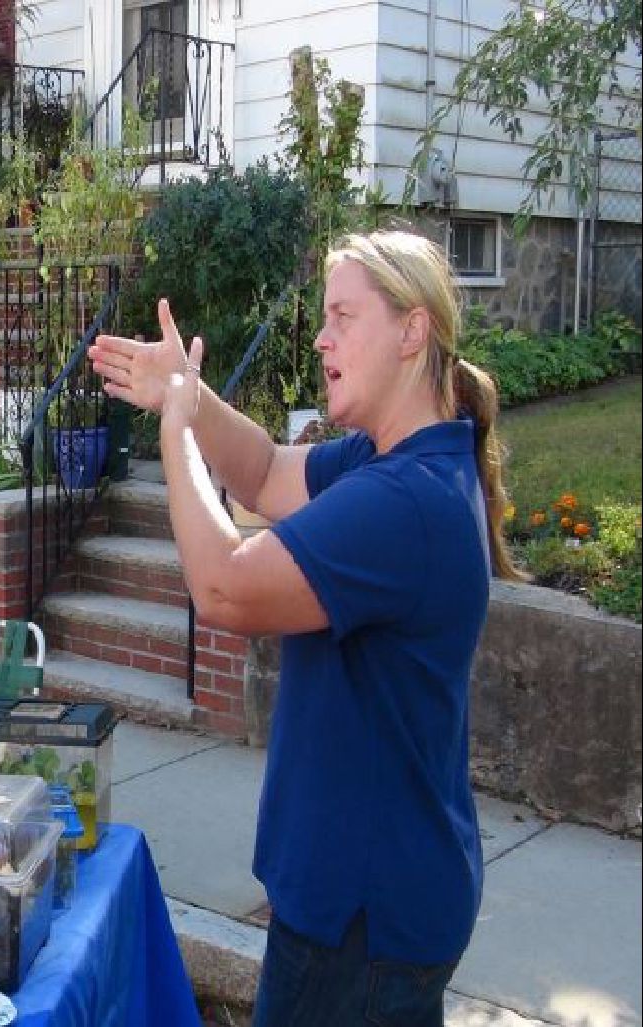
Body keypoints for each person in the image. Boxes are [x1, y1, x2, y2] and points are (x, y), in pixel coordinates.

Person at [88, 230, 524, 1025]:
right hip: (375, 900)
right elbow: (260, 470)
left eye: (342, 316)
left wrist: (175, 432)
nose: (322, 337)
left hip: (362, 922)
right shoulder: (389, 463)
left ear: (412, 330)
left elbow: (223, 586)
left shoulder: (406, 502)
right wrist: (187, 391)